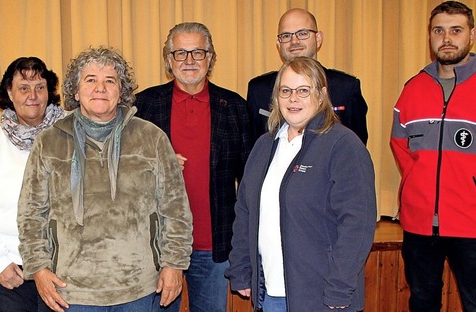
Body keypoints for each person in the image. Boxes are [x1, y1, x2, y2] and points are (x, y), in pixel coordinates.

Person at [16, 47, 193, 312]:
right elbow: (31, 215)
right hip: (71, 290)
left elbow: (176, 211)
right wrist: (38, 269)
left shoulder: (151, 138)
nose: (100, 88)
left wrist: (174, 264)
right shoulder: (49, 142)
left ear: (121, 92)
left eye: (110, 81)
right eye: (90, 80)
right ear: (75, 91)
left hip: (140, 287)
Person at [226, 57, 376, 312]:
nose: (293, 98)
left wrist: (339, 288)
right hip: (271, 294)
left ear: (321, 95)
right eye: (286, 91)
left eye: (303, 90)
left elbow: (357, 224)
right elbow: (246, 211)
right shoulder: (264, 145)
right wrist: (241, 267)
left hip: (323, 298)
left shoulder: (343, 145)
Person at [135, 22, 254, 312]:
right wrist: (156, 163)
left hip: (213, 246)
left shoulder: (235, 107)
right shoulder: (143, 106)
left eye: (198, 52)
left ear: (210, 58)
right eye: (180, 53)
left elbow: (250, 182)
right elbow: (121, 171)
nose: (189, 61)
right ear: (168, 60)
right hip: (155, 247)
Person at [0, 57, 64, 312]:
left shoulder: (70, 134)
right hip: (10, 269)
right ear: (9, 92)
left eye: (40, 87)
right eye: (23, 88)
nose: (33, 95)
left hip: (63, 267)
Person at [390, 1, 476, 311]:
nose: (447, 38)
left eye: (456, 30)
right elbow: (400, 148)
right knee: (422, 302)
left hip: (472, 224)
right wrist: (417, 189)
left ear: (471, 34)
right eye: (438, 30)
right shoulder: (412, 89)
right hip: (419, 225)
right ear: (430, 35)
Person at [247, 8, 368, 145]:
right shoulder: (258, 90)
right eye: (286, 36)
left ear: (318, 39)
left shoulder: (346, 88)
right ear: (278, 44)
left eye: (302, 33)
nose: (294, 41)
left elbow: (356, 147)